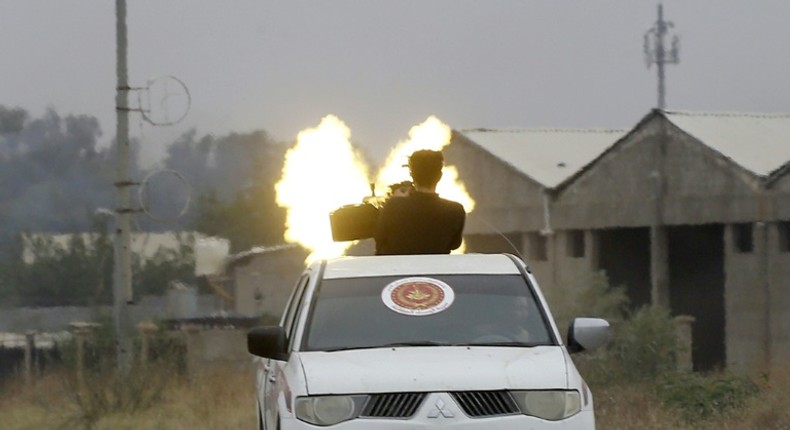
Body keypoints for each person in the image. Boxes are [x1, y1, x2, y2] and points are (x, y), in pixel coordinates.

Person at [374, 149, 466, 255]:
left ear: (411, 174)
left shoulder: (394, 206)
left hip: (398, 269)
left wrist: (396, 201)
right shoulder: (455, 210)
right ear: (440, 176)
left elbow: (379, 238)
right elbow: (455, 244)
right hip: (436, 270)